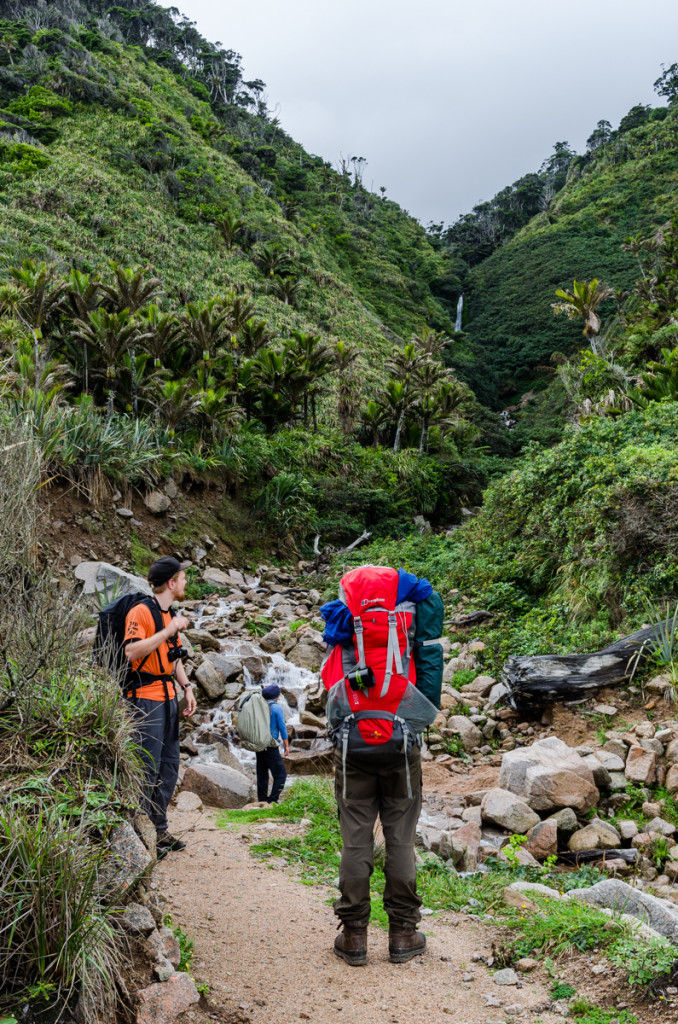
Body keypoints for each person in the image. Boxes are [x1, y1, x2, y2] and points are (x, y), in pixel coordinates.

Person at [124, 556, 197, 854]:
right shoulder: (140, 612)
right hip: (144, 700)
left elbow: (173, 658)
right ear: (171, 582)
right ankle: (141, 838)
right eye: (182, 577)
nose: (185, 582)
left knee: (168, 767)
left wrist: (187, 687)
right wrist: (168, 630)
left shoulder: (171, 615)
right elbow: (131, 651)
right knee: (146, 769)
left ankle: (160, 830)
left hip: (169, 699)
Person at [256, 683, 289, 803]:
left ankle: (262, 800)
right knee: (281, 775)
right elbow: (282, 727)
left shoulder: (259, 706)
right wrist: (286, 745)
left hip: (259, 743)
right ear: (277, 696)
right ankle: (273, 800)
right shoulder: (276, 707)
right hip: (270, 745)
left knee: (262, 774)